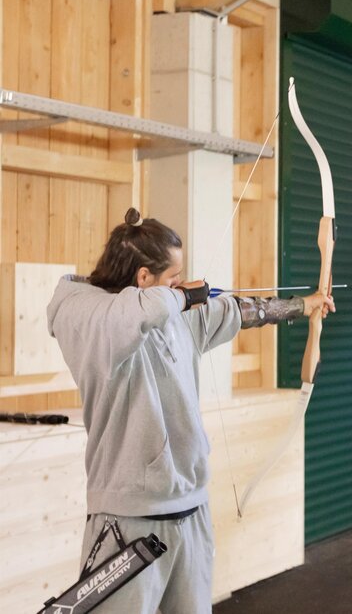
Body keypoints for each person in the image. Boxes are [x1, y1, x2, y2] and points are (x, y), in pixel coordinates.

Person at [45, 207, 335, 613]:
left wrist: (303, 306)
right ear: (144, 278)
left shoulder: (177, 318)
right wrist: (181, 296)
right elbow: (137, 313)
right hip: (127, 523)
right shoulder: (87, 316)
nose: (184, 286)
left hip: (190, 513)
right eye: (174, 279)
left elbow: (237, 310)